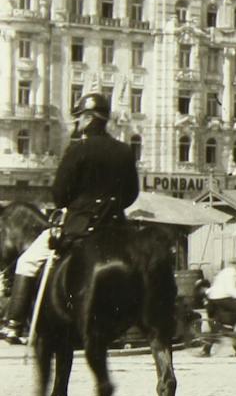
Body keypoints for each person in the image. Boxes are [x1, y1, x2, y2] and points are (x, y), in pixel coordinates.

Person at [1, 91, 139, 343]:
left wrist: (76, 205)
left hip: (80, 226)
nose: (77, 124)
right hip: (116, 227)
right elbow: (131, 194)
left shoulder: (78, 148)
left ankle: (14, 322)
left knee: (28, 261)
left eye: (78, 119)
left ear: (87, 119)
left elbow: (59, 195)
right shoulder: (124, 151)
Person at [201, 265, 236, 358]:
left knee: (217, 328)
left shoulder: (225, 273)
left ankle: (206, 350)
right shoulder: (232, 274)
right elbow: (232, 290)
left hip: (214, 300)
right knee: (227, 328)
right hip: (219, 300)